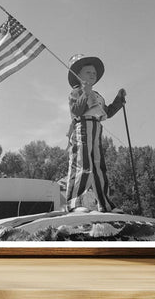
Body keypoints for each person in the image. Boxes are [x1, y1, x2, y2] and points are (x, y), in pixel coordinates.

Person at [65, 54, 126, 214]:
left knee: (99, 167)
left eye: (94, 73)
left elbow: (107, 112)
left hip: (97, 129)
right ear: (78, 75)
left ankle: (105, 205)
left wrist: (119, 100)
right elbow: (76, 111)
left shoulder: (98, 95)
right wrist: (85, 93)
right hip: (82, 129)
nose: (92, 75)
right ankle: (74, 203)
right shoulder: (76, 92)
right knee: (82, 164)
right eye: (88, 72)